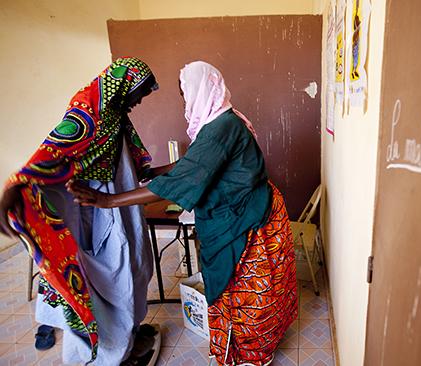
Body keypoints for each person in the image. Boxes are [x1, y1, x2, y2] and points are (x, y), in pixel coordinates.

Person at [68, 61, 298, 366]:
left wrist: (107, 200)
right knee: (247, 289)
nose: (184, 100)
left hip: (248, 219)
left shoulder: (220, 129)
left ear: (201, 89)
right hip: (252, 208)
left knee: (247, 291)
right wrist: (154, 171)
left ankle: (251, 353)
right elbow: (193, 163)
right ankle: (247, 345)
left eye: (185, 92)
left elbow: (185, 178)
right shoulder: (224, 117)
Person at [0, 57, 160, 365]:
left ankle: (127, 337)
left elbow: (130, 162)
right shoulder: (87, 113)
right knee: (105, 280)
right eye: (140, 93)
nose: (140, 101)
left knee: (133, 271)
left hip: (118, 210)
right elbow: (50, 151)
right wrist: (15, 188)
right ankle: (104, 356)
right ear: (125, 85)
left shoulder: (114, 115)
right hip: (92, 213)